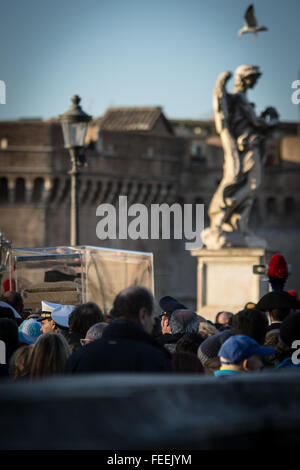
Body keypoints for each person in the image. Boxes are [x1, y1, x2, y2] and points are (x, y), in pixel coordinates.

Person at [66, 286, 172, 374]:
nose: (153, 323)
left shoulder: (78, 357)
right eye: (152, 317)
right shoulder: (155, 358)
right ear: (143, 315)